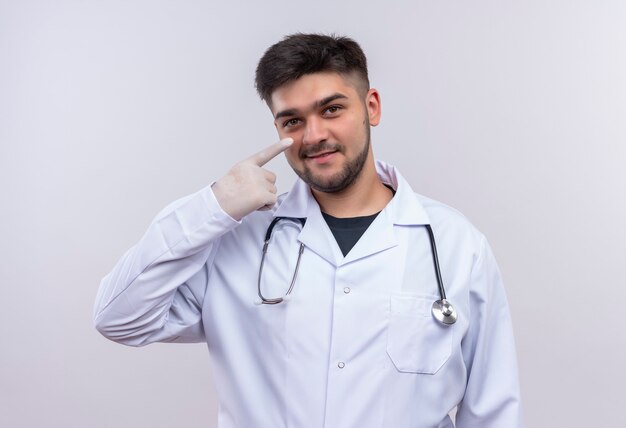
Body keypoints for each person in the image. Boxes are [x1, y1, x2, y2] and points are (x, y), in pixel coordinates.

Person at [94, 33, 522, 427]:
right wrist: (214, 204)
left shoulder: (454, 244)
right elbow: (120, 318)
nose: (314, 135)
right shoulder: (235, 238)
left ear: (371, 106)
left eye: (332, 109)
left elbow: (493, 408)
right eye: (292, 121)